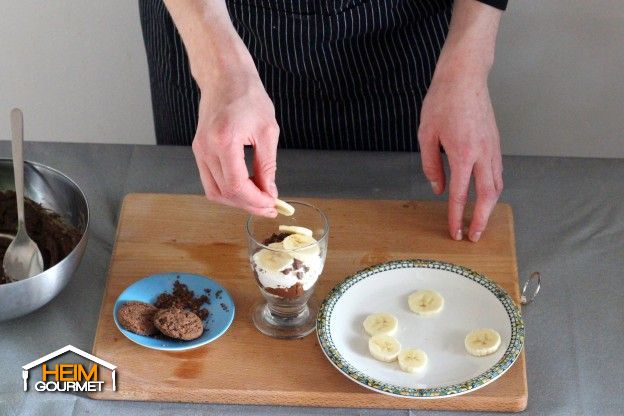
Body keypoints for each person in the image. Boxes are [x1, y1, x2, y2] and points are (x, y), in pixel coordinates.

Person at [139, 0, 507, 242]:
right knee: (203, 234)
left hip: (401, 31)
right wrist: (220, 68)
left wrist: (467, 67)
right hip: (210, 21)